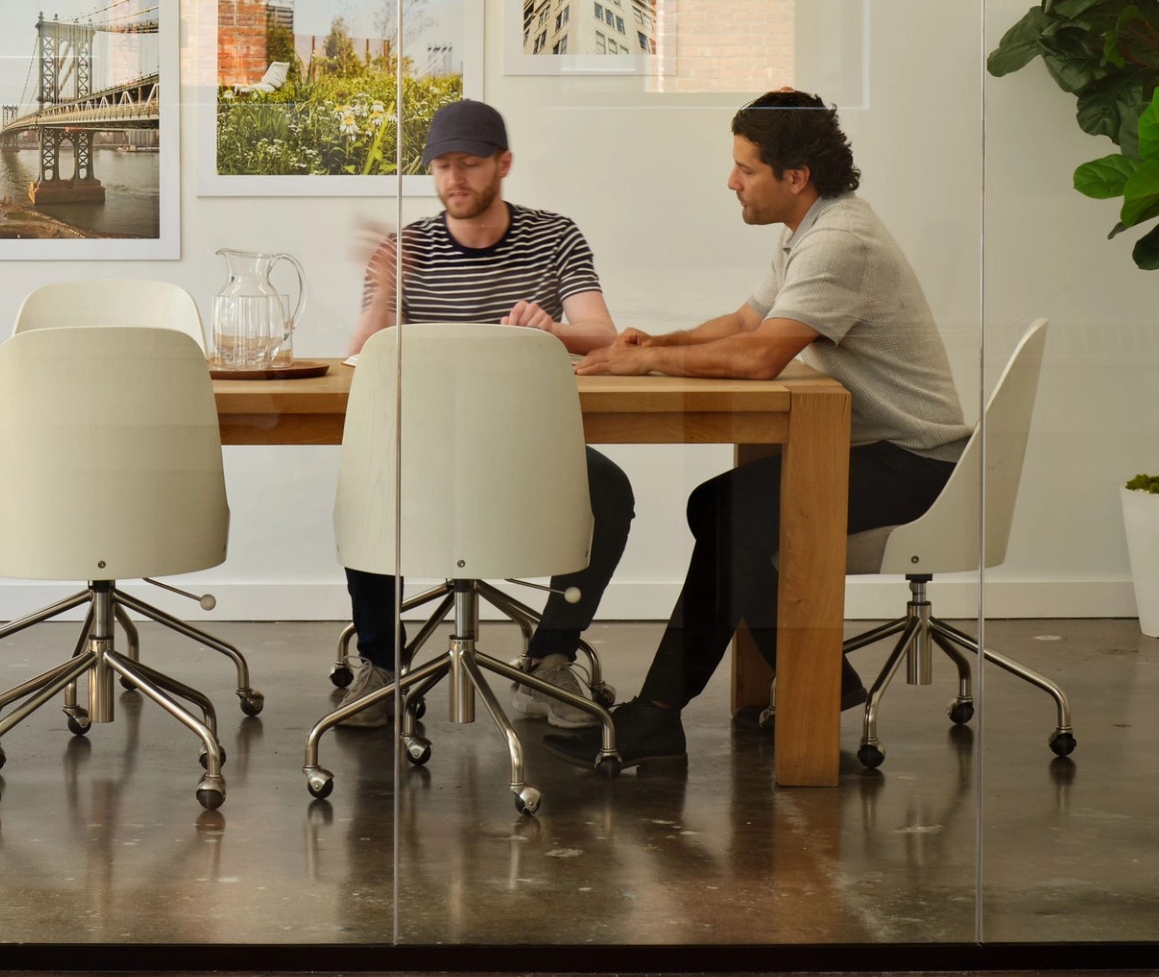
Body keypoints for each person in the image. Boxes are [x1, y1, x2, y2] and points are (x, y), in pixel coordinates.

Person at [564, 92, 968, 770]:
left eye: (744, 168)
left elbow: (759, 357)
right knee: (719, 507)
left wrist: (648, 361)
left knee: (733, 515)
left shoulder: (840, 242)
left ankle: (659, 715)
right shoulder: (812, 229)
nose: (732, 182)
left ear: (795, 177)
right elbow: (752, 321)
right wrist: (657, 340)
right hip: (879, 449)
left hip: (914, 460)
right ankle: (818, 681)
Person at [337, 98, 631, 713]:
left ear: (504, 164)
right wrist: (385, 291)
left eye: (469, 164)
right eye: (442, 167)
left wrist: (550, 328)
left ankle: (551, 656)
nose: (455, 180)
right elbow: (361, 359)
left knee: (607, 487)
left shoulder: (555, 236)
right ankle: (382, 664)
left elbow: (605, 335)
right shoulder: (407, 246)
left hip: (527, 447)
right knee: (367, 478)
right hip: (427, 448)